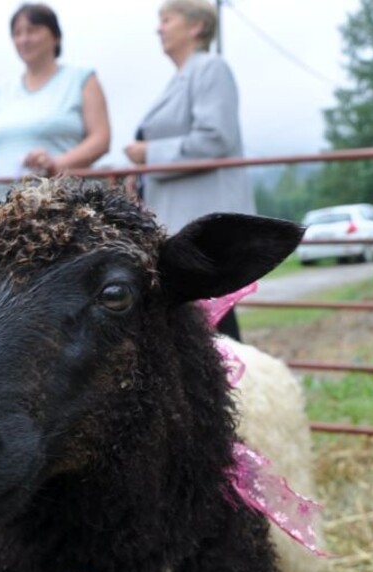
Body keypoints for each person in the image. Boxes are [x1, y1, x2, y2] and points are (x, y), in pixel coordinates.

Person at [125, 0, 254, 340]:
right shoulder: (182, 78)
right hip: (182, 220)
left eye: (167, 19)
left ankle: (234, 388)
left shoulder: (211, 68)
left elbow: (215, 138)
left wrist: (148, 154)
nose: (159, 28)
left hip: (204, 224)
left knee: (213, 321)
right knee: (203, 324)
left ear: (196, 26)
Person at [0, 3, 110, 204]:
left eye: (32, 31)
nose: (23, 39)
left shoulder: (82, 78)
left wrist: (57, 164)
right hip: (3, 210)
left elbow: (101, 140)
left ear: (56, 36)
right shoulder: (4, 89)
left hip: (62, 205)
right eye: (17, 33)